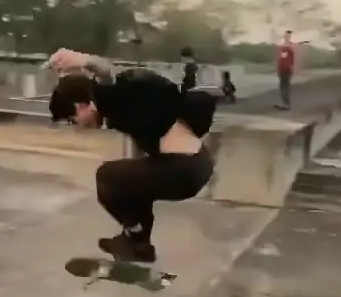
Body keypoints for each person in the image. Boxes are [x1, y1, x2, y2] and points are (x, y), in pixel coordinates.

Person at [48, 48, 217, 264]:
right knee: (130, 185)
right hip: (193, 166)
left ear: (81, 105)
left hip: (183, 169)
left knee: (107, 177)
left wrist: (83, 60)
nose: (78, 126)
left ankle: (137, 241)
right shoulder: (119, 108)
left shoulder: (110, 96)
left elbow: (105, 72)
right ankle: (139, 246)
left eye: (73, 120)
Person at [276, 30, 295, 109]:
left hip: (285, 70)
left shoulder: (287, 48)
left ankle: (285, 104)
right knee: (284, 87)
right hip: (285, 69)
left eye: (286, 36)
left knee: (284, 87)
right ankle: (285, 103)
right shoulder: (287, 47)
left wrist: (281, 69)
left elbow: (284, 60)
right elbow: (283, 59)